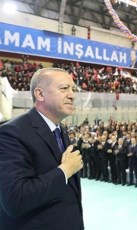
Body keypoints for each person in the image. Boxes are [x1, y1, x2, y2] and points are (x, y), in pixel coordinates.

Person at [0, 68, 84, 229]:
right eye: (64, 88)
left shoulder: (60, 129)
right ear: (40, 94)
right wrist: (65, 171)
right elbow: (16, 199)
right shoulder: (11, 133)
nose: (72, 95)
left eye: (73, 89)